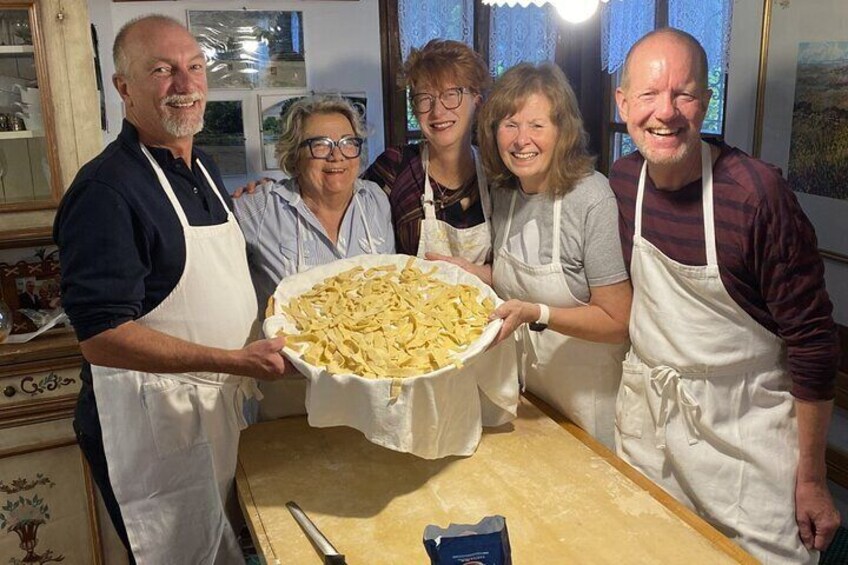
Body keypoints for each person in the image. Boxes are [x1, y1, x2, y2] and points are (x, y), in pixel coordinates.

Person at [53, 15, 286, 564]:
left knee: (221, 548)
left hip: (211, 408)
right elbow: (101, 337)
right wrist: (231, 359)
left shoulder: (200, 163)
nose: (185, 85)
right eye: (162, 70)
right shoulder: (106, 191)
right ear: (123, 87)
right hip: (152, 425)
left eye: (194, 67)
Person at [611, 28, 840, 563]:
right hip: (648, 424)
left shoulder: (757, 196)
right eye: (647, 94)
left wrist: (811, 476)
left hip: (743, 434)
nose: (665, 112)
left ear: (707, 101)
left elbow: (813, 344)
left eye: (684, 93)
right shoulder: (622, 182)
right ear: (622, 103)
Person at [438, 63, 632, 448]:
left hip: (590, 405)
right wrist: (472, 272)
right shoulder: (508, 192)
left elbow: (618, 320)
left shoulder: (592, 199)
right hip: (529, 396)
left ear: (563, 131)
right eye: (509, 124)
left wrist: (538, 314)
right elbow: (516, 278)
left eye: (537, 125)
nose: (521, 139)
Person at [234, 95, 394, 419]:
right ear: (294, 156)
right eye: (320, 145)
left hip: (371, 377)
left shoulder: (376, 201)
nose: (336, 156)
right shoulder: (258, 208)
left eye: (348, 143)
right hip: (292, 386)